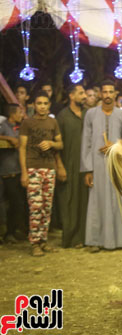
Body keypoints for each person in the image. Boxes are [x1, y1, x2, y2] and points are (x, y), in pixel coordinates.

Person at [81, 80, 122, 252]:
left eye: (110, 92)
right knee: (97, 201)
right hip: (97, 165)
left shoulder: (121, 115)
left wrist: (116, 146)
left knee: (119, 201)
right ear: (100, 95)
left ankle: (121, 241)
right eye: (104, 92)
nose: (107, 95)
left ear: (115, 94)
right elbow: (86, 143)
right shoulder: (91, 114)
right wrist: (87, 169)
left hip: (116, 165)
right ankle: (96, 241)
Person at [19, 91, 64, 256]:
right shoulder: (27, 123)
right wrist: (24, 172)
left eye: (45, 103)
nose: (42, 106)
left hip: (49, 168)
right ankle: (34, 243)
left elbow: (60, 144)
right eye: (39, 103)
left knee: (46, 207)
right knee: (35, 207)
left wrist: (51, 143)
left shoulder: (53, 122)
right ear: (34, 105)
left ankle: (43, 240)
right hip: (33, 168)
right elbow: (22, 148)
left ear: (49, 105)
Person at [55, 84, 89, 248]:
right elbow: (56, 144)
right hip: (68, 164)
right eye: (81, 93)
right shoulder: (62, 117)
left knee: (84, 202)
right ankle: (70, 238)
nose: (84, 96)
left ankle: (82, 238)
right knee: (68, 201)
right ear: (71, 95)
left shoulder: (87, 114)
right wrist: (59, 166)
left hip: (85, 166)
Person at [0, 104, 28, 243]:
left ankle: (15, 230)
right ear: (12, 114)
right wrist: (8, 139)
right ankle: (9, 233)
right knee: (14, 203)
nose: (21, 115)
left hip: (19, 171)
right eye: (19, 112)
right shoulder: (4, 126)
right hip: (8, 172)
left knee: (19, 203)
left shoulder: (19, 127)